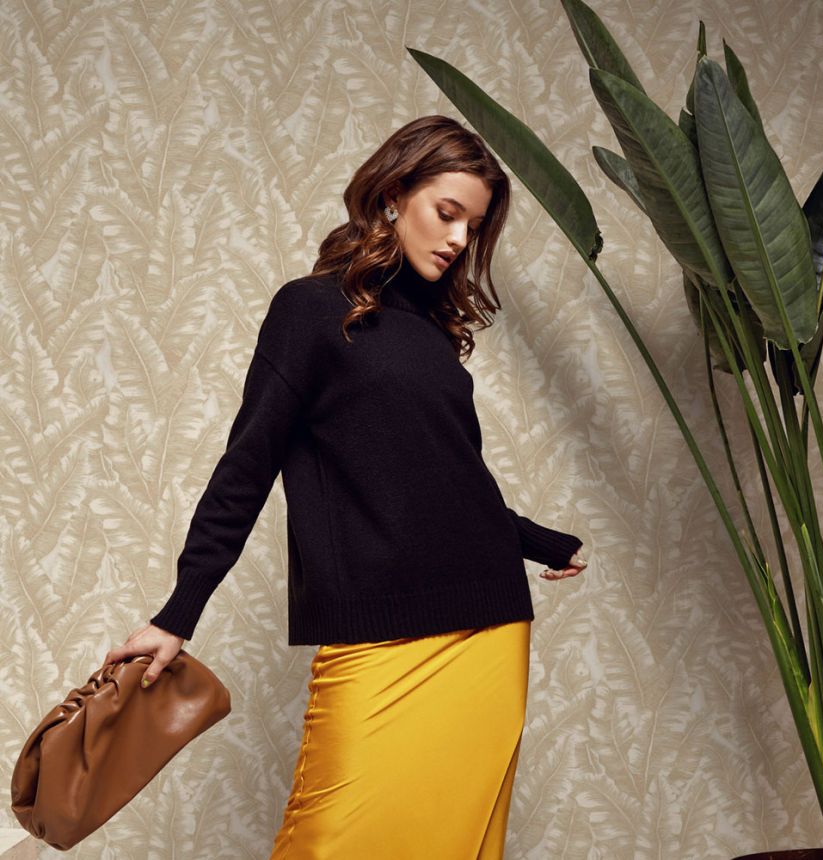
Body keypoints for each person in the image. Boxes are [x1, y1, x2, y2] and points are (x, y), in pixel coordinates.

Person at [104, 114, 588, 859]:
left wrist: (539, 541)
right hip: (376, 633)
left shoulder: (433, 335)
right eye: (446, 212)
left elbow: (442, 480)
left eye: (473, 225)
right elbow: (245, 467)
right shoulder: (311, 310)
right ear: (393, 194)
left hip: (489, 627)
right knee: (329, 843)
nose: (458, 239)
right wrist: (178, 613)